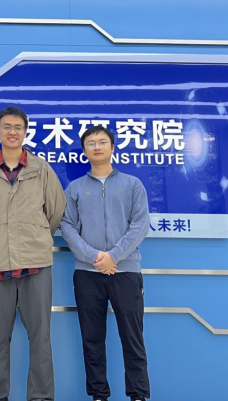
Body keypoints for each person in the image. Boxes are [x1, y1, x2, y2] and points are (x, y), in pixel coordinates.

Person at [0, 106, 66, 401]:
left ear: (25, 132)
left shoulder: (41, 169)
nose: (12, 132)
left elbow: (56, 209)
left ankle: (41, 397)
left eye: (18, 127)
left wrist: (35, 235)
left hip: (35, 264)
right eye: (7, 127)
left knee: (40, 337)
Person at [60, 125, 151, 401]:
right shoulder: (75, 188)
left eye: (102, 142)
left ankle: (138, 395)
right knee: (92, 339)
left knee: (132, 338)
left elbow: (140, 225)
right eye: (91, 143)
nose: (97, 147)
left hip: (126, 272)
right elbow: (67, 226)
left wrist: (114, 256)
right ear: (84, 150)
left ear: (112, 147)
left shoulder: (132, 184)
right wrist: (95, 257)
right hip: (87, 274)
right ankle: (99, 394)